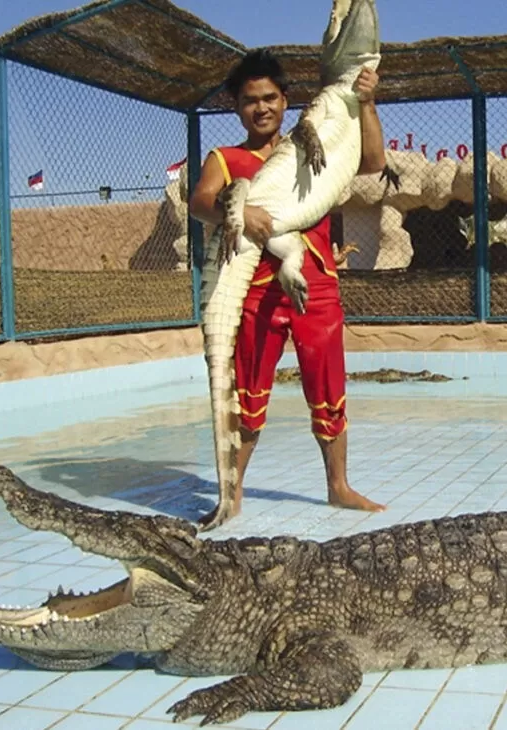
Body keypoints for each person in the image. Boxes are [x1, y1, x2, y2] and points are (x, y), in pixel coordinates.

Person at [188, 48, 387, 522]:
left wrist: (369, 104)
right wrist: (239, 213)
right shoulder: (227, 157)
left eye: (270, 98)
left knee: (329, 385)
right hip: (256, 289)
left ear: (285, 100)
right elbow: (200, 201)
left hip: (315, 282)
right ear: (236, 105)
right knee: (249, 391)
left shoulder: (311, 143)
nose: (262, 108)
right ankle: (232, 496)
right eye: (250, 99)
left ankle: (338, 486)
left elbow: (374, 160)